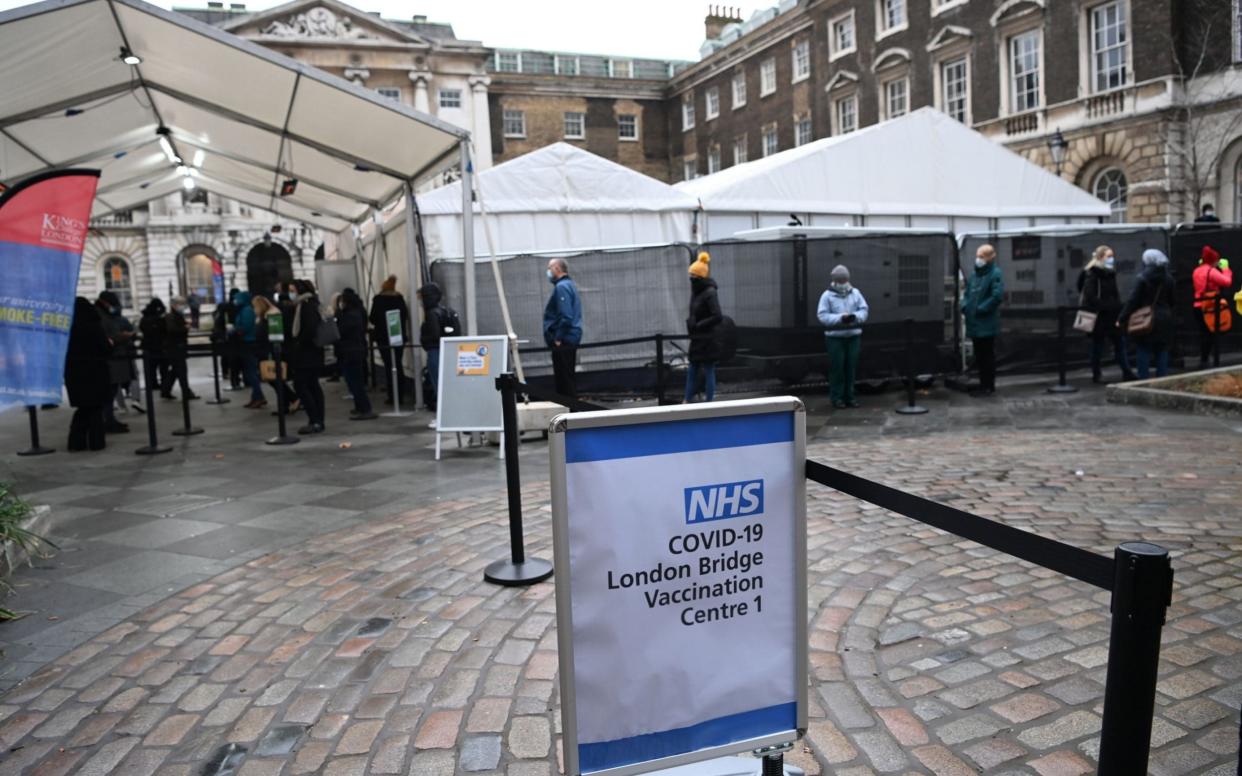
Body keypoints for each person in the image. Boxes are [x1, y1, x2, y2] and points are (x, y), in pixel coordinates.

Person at [1076, 245, 1134, 383]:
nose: (1112, 259)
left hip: (1111, 314)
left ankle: (1126, 371)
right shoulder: (1093, 273)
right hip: (1100, 316)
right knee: (1099, 346)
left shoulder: (1109, 273)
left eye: (1112, 256)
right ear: (1101, 257)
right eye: (1109, 256)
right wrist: (1106, 306)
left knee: (1118, 343)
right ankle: (1097, 373)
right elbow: (1089, 295)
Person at [816, 264, 869, 409]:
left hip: (853, 336)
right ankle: (837, 398)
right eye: (840, 280)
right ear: (835, 281)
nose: (843, 283)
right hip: (835, 337)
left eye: (844, 280)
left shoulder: (856, 293)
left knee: (851, 368)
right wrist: (840, 318)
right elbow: (822, 315)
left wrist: (855, 317)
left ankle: (850, 397)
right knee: (837, 368)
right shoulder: (827, 296)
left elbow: (864, 309)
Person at [64, 297, 112, 451]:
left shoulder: (67, 328)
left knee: (83, 408)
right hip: (95, 371)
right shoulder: (94, 326)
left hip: (74, 373)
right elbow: (105, 348)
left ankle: (76, 443)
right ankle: (96, 442)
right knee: (95, 408)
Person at [1119, 249, 1177, 379]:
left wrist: (1122, 317)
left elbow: (1133, 300)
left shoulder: (1142, 278)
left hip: (1145, 318)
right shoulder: (1169, 278)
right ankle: (1162, 379)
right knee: (1162, 349)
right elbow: (1172, 300)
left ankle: (1143, 380)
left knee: (1143, 349)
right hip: (1164, 318)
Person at [962, 244, 1005, 396]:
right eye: (977, 256)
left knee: (987, 355)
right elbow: (967, 294)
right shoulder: (975, 275)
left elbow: (997, 296)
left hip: (986, 323)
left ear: (989, 258)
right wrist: (964, 306)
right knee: (979, 355)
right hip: (974, 322)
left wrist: (980, 309)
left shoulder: (995, 274)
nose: (978, 259)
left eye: (981, 256)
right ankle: (983, 384)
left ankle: (988, 386)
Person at [685, 252, 724, 403]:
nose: (691, 279)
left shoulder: (709, 293)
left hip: (707, 337)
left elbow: (717, 315)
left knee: (708, 369)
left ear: (699, 277)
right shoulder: (697, 291)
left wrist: (699, 324)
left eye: (693, 276)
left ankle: (709, 402)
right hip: (697, 336)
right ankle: (687, 399)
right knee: (693, 369)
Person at [543, 258, 583, 398]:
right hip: (570, 337)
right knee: (568, 375)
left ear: (557, 269)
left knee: (564, 379)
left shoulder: (562, 287)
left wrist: (558, 337)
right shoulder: (569, 285)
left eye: (550, 268)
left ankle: (569, 410)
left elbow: (566, 316)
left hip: (564, 339)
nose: (548, 271)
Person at [95, 291, 134, 433]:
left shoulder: (106, 314)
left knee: (111, 392)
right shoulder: (100, 316)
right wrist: (123, 337)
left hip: (115, 357)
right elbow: (108, 338)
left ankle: (109, 419)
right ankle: (107, 421)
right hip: (110, 358)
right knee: (108, 393)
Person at [291, 279, 326, 433]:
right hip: (312, 353)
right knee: (312, 385)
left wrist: (299, 343)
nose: (291, 293)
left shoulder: (306, 305)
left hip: (307, 353)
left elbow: (310, 329)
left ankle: (316, 419)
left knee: (302, 385)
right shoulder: (310, 303)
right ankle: (317, 420)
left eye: (292, 290)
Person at [369, 275, 411, 405]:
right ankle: (401, 394)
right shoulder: (399, 299)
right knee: (398, 365)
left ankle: (393, 396)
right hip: (398, 336)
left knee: (389, 367)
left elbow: (372, 318)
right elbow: (405, 316)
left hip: (383, 339)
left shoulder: (378, 300)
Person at [417, 282, 460, 407]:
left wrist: (424, 339)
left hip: (435, 352)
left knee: (439, 384)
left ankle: (442, 415)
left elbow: (434, 335)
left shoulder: (432, 314)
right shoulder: (448, 311)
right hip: (450, 351)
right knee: (448, 384)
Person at [336, 288, 376, 420]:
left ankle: (365, 408)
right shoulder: (358, 312)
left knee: (355, 382)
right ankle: (360, 407)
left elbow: (343, 331)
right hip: (356, 350)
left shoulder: (350, 315)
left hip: (351, 351)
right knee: (354, 381)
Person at [1193, 245, 1232, 369]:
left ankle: (1204, 359)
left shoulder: (1197, 270)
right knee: (1210, 334)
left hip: (1197, 305)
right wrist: (1226, 270)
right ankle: (1207, 361)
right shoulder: (1211, 271)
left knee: (1203, 333)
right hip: (1210, 306)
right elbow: (1226, 282)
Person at [233, 291, 266, 408]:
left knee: (251, 372)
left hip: (248, 343)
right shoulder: (244, 309)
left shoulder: (246, 310)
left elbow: (245, 327)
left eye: (237, 298)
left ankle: (258, 396)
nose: (235, 300)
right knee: (249, 372)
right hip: (245, 343)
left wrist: (234, 330)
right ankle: (256, 397)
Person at [161, 296, 197, 400]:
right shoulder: (170, 316)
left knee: (176, 370)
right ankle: (186, 392)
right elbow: (172, 330)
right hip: (175, 347)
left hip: (177, 346)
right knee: (181, 370)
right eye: (180, 304)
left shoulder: (177, 315)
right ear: (173, 305)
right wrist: (185, 327)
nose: (182, 306)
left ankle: (166, 390)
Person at [138, 298, 168, 397]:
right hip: (158, 345)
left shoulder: (145, 317)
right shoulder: (159, 318)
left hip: (148, 345)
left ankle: (153, 384)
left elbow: (142, 328)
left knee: (151, 367)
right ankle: (164, 385)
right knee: (163, 367)